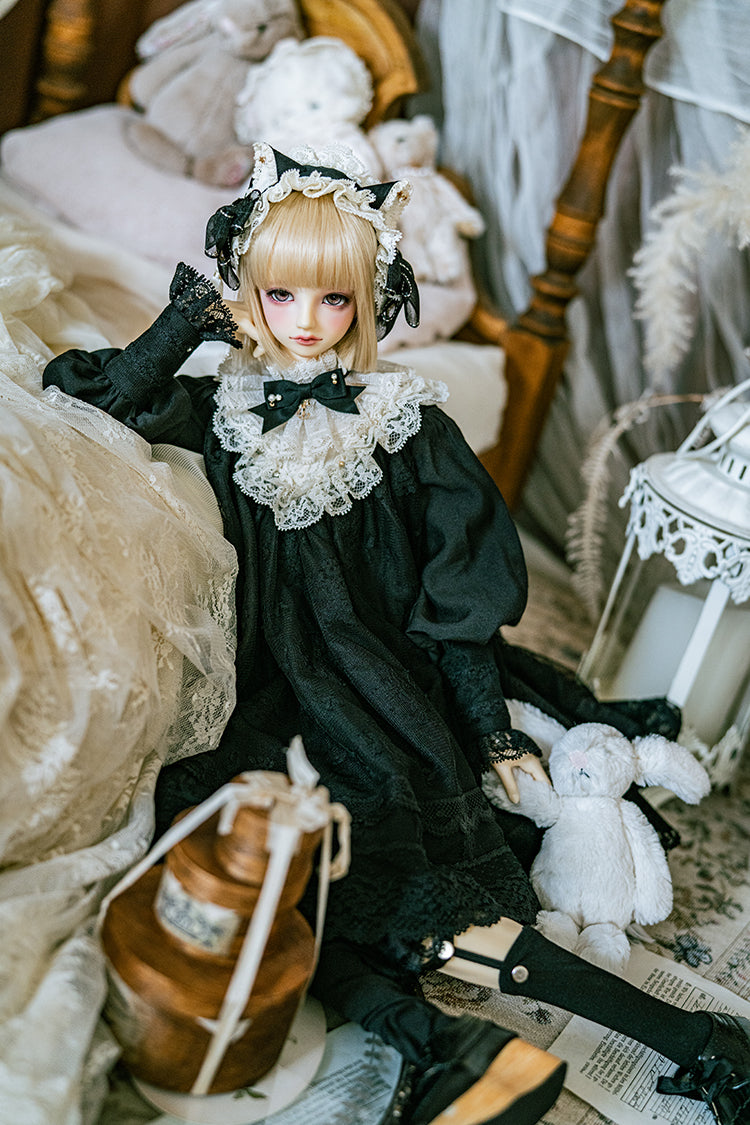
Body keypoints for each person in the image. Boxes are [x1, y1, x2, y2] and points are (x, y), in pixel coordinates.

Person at [44, 143, 750, 1125]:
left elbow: (458, 592)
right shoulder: (222, 405)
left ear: (368, 301)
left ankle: (683, 1039)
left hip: (379, 682)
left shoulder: (408, 424)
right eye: (280, 294)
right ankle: (455, 1044)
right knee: (265, 869)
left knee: (379, 867)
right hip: (270, 686)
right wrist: (187, 322)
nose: (305, 320)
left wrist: (487, 727)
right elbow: (88, 395)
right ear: (250, 290)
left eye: (333, 299)